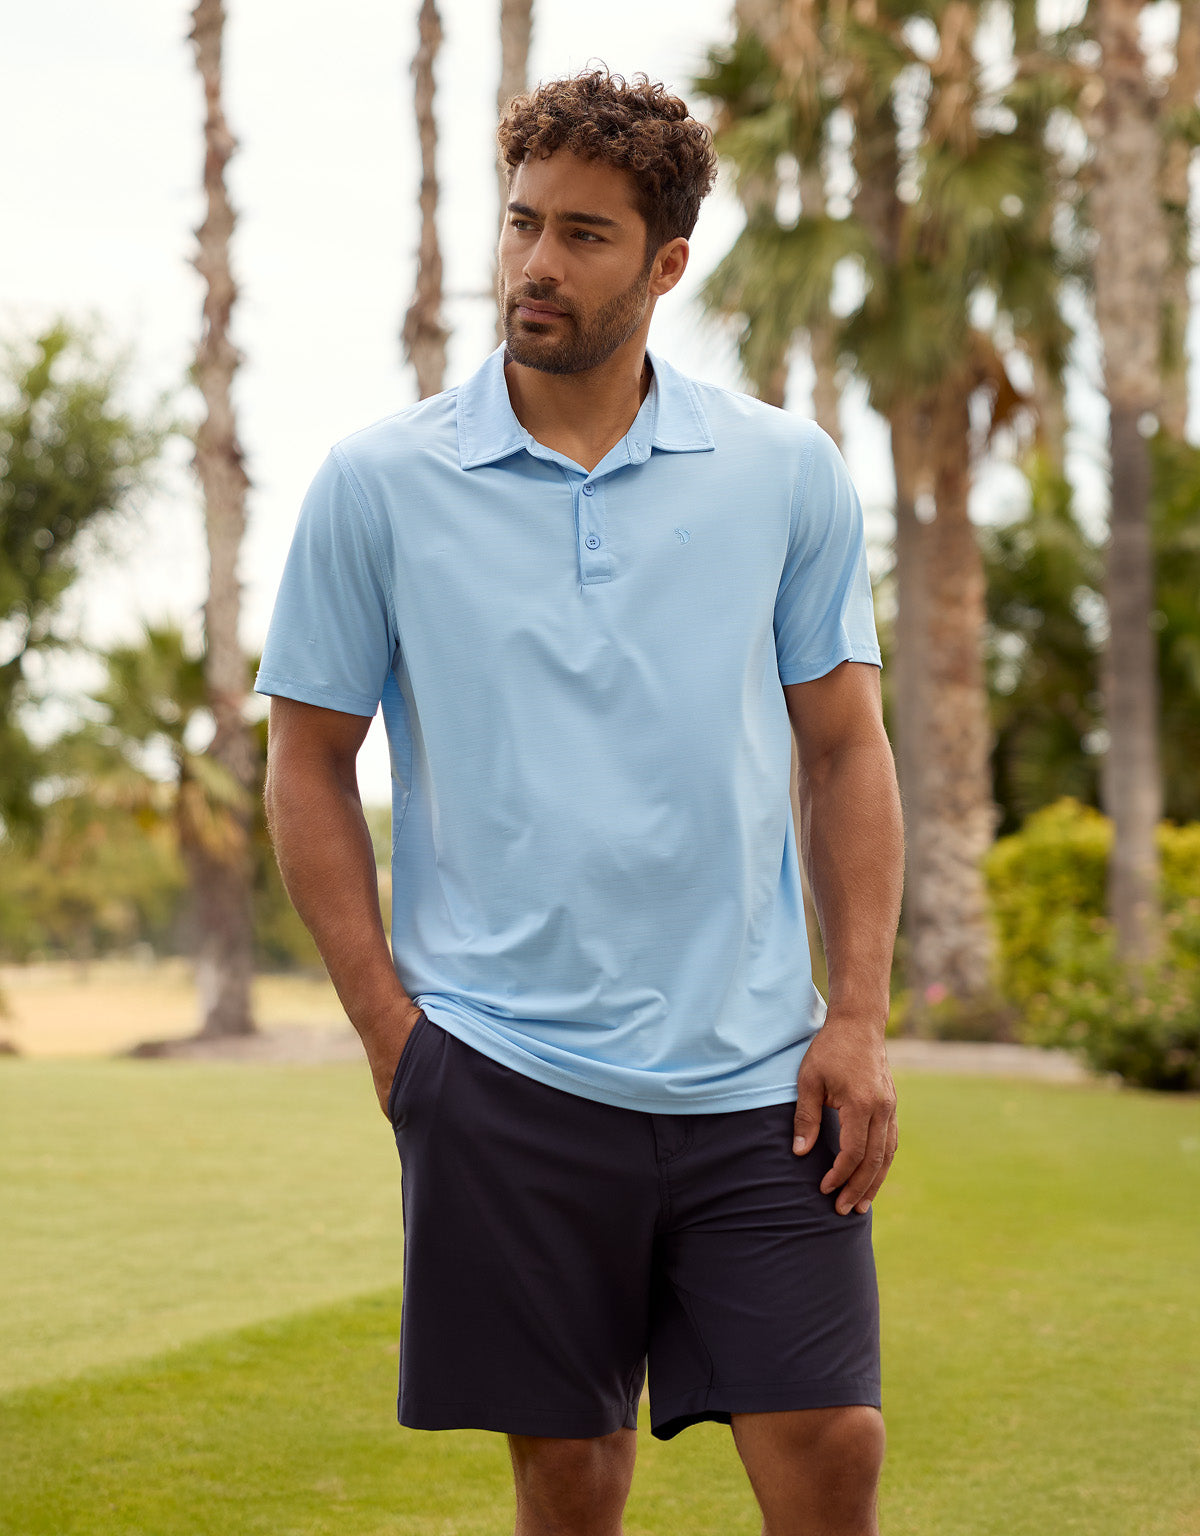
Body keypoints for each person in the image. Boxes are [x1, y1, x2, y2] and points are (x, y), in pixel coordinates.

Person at [258, 68, 903, 1536]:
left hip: (760, 1076)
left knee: (830, 1444)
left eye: (585, 235)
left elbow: (844, 751)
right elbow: (307, 759)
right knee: (568, 1473)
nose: (537, 264)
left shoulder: (785, 471)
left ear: (667, 265)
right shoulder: (377, 484)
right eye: (522, 223)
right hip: (501, 1071)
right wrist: (393, 1035)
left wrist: (858, 1015)